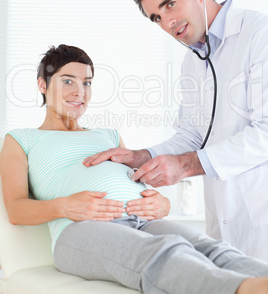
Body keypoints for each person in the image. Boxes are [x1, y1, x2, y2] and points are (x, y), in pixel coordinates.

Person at [1, 44, 268, 294]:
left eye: (87, 83)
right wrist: (65, 207)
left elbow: (135, 182)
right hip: (78, 230)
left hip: (143, 221)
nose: (80, 93)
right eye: (68, 81)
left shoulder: (108, 135)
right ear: (42, 85)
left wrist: (162, 204)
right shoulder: (21, 139)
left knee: (213, 248)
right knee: (162, 252)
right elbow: (15, 209)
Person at [84, 0, 268, 262]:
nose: (167, 22)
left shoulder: (259, 35)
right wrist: (142, 156)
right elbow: (193, 134)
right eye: (156, 17)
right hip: (223, 225)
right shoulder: (193, 61)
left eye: (169, 4)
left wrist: (187, 165)